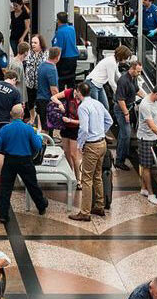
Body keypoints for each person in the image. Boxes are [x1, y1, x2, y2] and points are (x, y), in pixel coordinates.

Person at [0, 103, 48, 222]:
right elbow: (37, 145)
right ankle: (41, 206)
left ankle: (3, 215)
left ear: (11, 115)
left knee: (6, 188)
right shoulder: (28, 129)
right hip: (25, 161)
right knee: (32, 185)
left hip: (9, 161)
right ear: (22, 114)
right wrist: (39, 138)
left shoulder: (5, 129)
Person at [69, 82, 113, 222]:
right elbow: (109, 120)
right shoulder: (97, 103)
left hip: (92, 146)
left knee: (86, 179)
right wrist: (101, 132)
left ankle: (85, 212)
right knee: (97, 176)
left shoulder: (83, 107)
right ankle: (99, 206)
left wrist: (80, 145)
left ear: (79, 92)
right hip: (102, 144)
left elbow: (84, 129)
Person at [136, 85, 157, 205]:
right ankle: (150, 194)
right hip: (145, 139)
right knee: (147, 167)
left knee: (149, 165)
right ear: (156, 94)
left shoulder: (155, 102)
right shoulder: (145, 105)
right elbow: (152, 126)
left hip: (154, 138)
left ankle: (143, 188)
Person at [112, 60, 145, 170]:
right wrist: (126, 113)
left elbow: (136, 90)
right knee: (125, 134)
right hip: (121, 109)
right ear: (132, 69)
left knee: (124, 133)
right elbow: (120, 99)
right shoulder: (123, 81)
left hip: (129, 107)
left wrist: (147, 98)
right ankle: (119, 161)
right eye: (138, 71)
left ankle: (124, 153)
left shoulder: (133, 78)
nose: (139, 74)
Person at [52, 12, 79, 88]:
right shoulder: (72, 29)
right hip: (73, 58)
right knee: (71, 81)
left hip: (64, 59)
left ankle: (62, 98)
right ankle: (71, 97)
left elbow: (58, 48)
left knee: (61, 81)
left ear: (58, 20)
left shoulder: (60, 32)